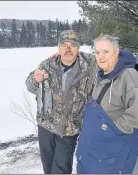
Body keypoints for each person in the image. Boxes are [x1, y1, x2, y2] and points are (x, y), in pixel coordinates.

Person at [76, 34, 138, 174]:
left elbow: (137, 115)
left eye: (106, 52)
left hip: (111, 155)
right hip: (90, 154)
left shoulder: (129, 76)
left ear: (116, 51)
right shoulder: (100, 75)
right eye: (97, 52)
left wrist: (113, 130)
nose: (100, 56)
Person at [25, 30, 92, 174]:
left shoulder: (88, 67)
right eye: (64, 45)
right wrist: (35, 79)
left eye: (72, 45)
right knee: (47, 167)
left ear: (78, 48)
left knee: (61, 169)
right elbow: (30, 86)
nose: (68, 49)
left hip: (69, 130)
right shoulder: (47, 65)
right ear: (59, 48)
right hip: (46, 126)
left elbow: (109, 57)